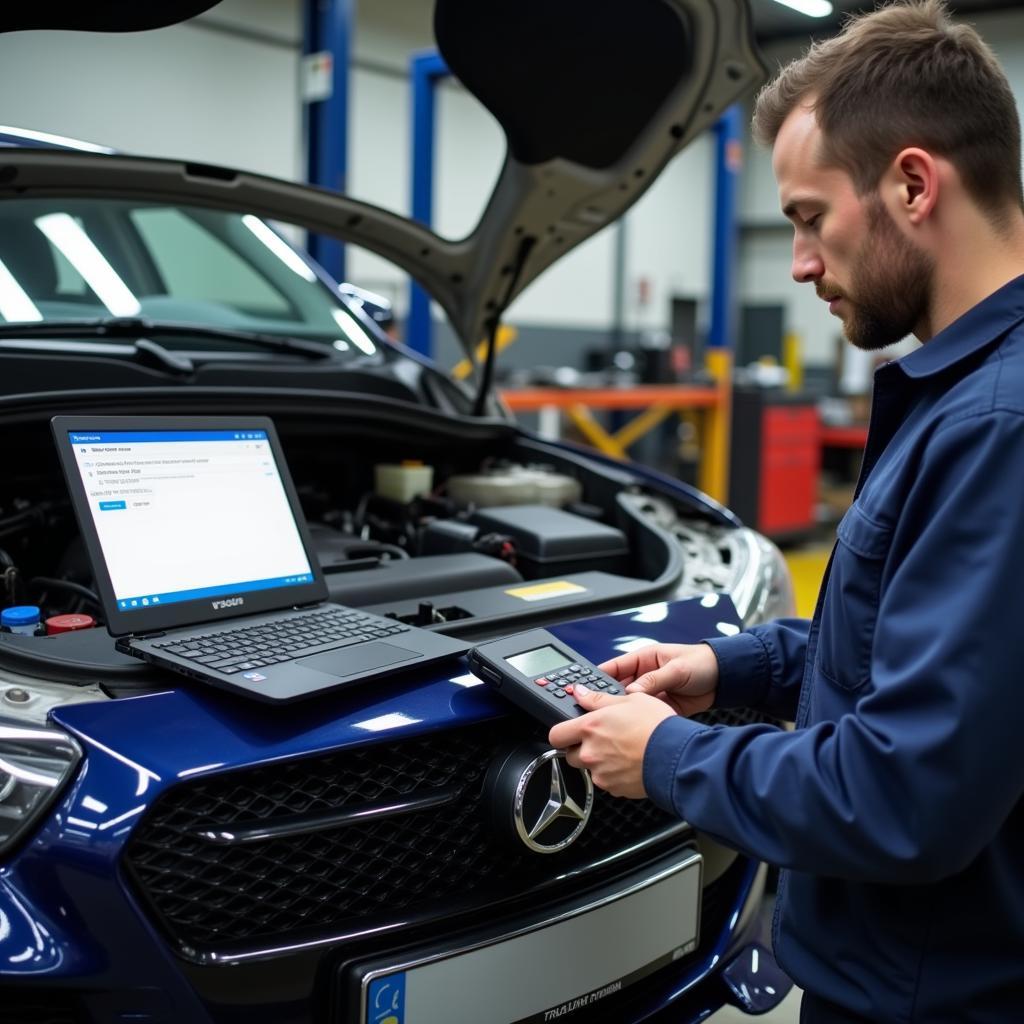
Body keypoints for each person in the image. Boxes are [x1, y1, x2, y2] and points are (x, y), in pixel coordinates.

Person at [548, 2, 1024, 1021]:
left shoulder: (997, 424)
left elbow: (906, 796)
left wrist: (667, 756)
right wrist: (737, 668)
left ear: (910, 184)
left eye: (809, 218)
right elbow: (923, 658)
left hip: (931, 992)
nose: (799, 261)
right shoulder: (963, 393)